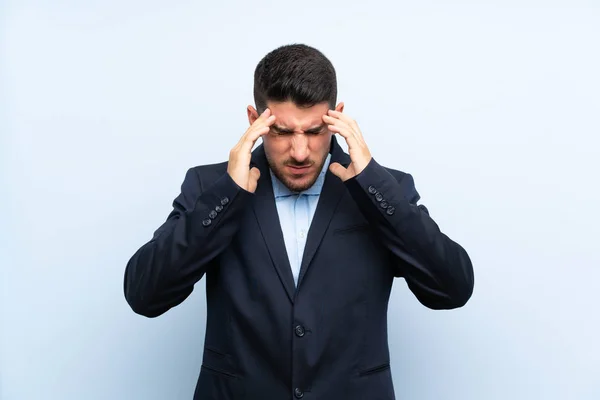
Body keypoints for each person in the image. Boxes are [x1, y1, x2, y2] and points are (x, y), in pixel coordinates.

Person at [123, 43, 474, 400]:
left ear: (337, 117)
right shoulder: (209, 187)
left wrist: (373, 186)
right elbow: (144, 294)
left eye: (314, 131)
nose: (300, 152)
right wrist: (227, 195)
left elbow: (451, 289)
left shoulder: (387, 190)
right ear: (254, 120)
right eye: (283, 132)